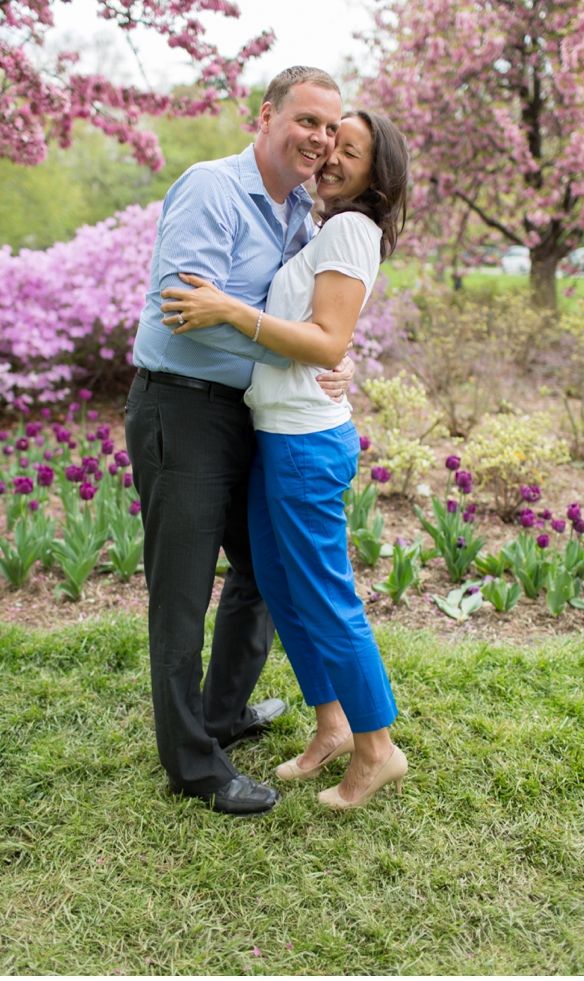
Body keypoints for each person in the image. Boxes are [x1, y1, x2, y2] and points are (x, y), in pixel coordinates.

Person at [160, 109, 416, 811]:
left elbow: (327, 340)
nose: (331, 155)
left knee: (326, 597)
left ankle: (376, 750)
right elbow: (324, 334)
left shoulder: (349, 228)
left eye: (351, 151)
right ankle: (331, 724)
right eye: (332, 141)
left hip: (306, 442)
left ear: (375, 173)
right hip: (281, 433)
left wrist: (229, 311)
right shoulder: (321, 224)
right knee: (278, 581)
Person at [127, 65, 355, 817]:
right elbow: (185, 314)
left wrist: (327, 355)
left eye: (332, 128)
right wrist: (299, 352)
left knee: (265, 569)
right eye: (308, 121)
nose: (320, 140)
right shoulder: (212, 189)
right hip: (181, 409)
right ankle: (193, 765)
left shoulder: (298, 213)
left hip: (248, 415)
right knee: (183, 594)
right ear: (267, 116)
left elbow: (293, 317)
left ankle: (221, 716)